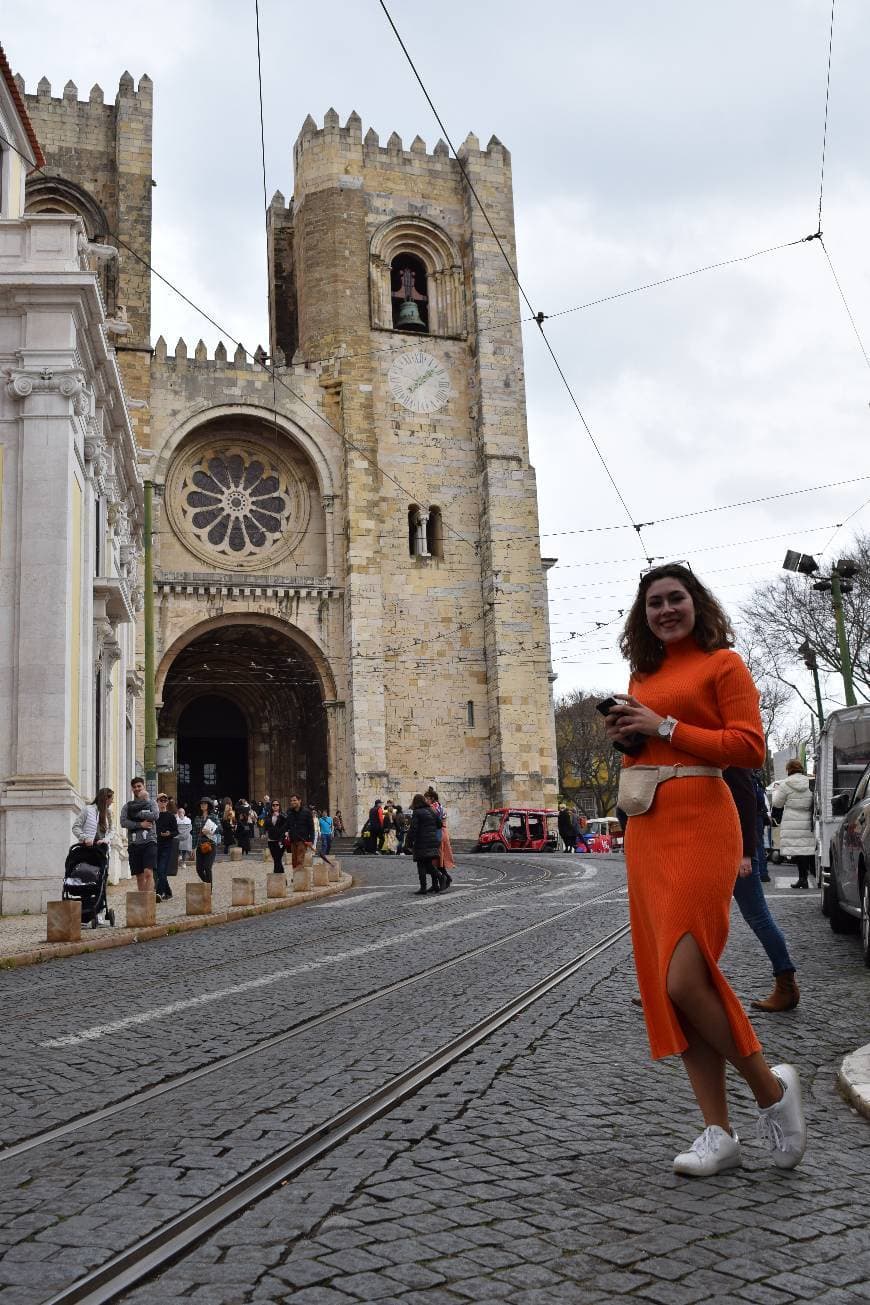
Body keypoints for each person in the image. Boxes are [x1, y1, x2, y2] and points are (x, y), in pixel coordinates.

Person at [605, 563, 805, 1176]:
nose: (665, 610)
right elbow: (655, 744)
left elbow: (749, 748)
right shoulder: (645, 672)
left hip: (703, 821)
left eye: (676, 599)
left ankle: (771, 1091)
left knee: (685, 980)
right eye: (655, 603)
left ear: (697, 604)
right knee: (673, 984)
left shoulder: (725, 665)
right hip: (648, 827)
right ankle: (717, 1131)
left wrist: (663, 724)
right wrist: (630, 732)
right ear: (643, 616)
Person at [724, 767, 799, 1012]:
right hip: (718, 847)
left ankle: (786, 985)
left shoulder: (731, 759)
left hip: (733, 850)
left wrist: (745, 853)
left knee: (758, 916)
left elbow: (746, 805)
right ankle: (672, 985)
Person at [772, 760, 816, 890]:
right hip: (808, 818)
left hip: (792, 819)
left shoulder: (785, 784)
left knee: (797, 850)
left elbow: (777, 803)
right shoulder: (810, 782)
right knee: (808, 849)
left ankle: (802, 879)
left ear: (788, 769)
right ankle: (812, 876)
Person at [120, 778, 159, 894]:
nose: (137, 789)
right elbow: (123, 822)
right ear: (132, 789)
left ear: (144, 787)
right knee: (139, 876)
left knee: (148, 872)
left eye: (139, 786)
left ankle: (149, 901)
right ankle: (142, 902)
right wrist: (140, 824)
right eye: (135, 787)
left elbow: (155, 816)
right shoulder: (127, 806)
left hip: (150, 841)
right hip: (134, 843)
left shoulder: (151, 803)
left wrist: (138, 812)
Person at [406, 793, 444, 894]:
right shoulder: (431, 810)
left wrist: (408, 843)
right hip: (433, 841)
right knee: (427, 863)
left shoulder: (417, 812)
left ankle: (425, 886)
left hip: (422, 842)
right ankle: (437, 881)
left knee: (421, 864)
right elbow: (440, 824)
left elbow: (413, 829)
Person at [426, 787, 454, 888]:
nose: (426, 800)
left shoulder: (433, 807)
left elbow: (432, 821)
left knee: (436, 859)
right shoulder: (440, 806)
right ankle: (437, 883)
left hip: (438, 834)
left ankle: (444, 878)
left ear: (432, 798)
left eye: (427, 798)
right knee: (437, 860)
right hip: (442, 833)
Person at [154, 793, 179, 901]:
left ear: (167, 802)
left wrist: (169, 834)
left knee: (161, 869)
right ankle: (168, 892)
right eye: (161, 800)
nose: (163, 802)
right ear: (157, 802)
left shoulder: (171, 816)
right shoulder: (154, 816)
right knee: (159, 871)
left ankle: (159, 893)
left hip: (167, 846)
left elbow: (176, 831)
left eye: (165, 801)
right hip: (155, 845)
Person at [284, 794, 315, 870]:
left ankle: (299, 879)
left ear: (299, 801)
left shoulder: (307, 812)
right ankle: (296, 877)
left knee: (300, 860)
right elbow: (287, 825)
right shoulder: (290, 812)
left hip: (303, 840)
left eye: (294, 800)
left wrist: (311, 840)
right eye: (291, 801)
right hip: (293, 840)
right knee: (294, 861)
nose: (292, 802)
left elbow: (311, 827)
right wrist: (285, 832)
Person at [193, 798, 218, 884]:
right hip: (200, 846)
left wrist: (211, 831)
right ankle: (207, 884)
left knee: (207, 867)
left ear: (208, 805)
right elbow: (195, 833)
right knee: (199, 870)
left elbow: (220, 829)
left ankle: (209, 890)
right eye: (201, 804)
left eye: (205, 803)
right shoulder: (197, 818)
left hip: (211, 845)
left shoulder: (213, 817)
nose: (203, 805)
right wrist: (193, 847)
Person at [752, 772, 772, 883]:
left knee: (756, 845)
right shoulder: (757, 780)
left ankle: (758, 872)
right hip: (759, 815)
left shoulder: (750, 779)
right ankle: (763, 873)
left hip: (752, 815)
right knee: (760, 845)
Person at [266, 800, 287, 874]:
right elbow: (266, 825)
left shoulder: (283, 815)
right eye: (273, 805)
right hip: (271, 840)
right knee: (276, 859)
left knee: (278, 858)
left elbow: (287, 822)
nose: (275, 806)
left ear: (279, 806)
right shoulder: (269, 815)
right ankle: (281, 879)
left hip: (280, 840)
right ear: (271, 806)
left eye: (277, 805)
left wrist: (279, 815)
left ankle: (277, 876)